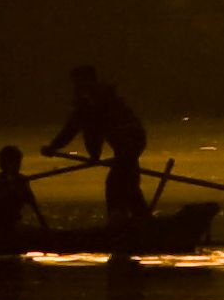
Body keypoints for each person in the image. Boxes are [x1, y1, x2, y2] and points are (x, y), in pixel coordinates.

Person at [43, 65, 150, 222]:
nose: (77, 85)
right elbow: (85, 128)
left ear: (90, 80)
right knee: (127, 181)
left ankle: (120, 219)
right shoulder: (97, 97)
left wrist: (54, 148)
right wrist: (93, 154)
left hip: (128, 141)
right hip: (131, 141)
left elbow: (83, 129)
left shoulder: (92, 100)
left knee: (115, 182)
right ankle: (140, 218)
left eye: (79, 81)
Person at [0, 145, 44, 237]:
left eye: (2, 161)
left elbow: (32, 203)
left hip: (9, 222)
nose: (0, 163)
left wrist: (44, 226)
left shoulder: (21, 180)